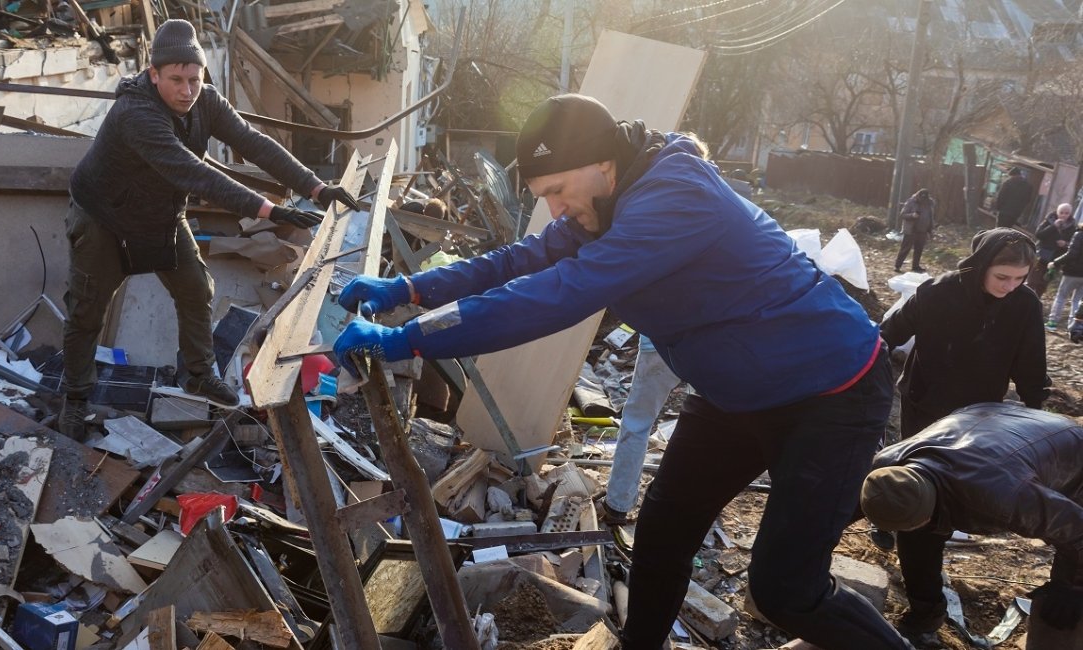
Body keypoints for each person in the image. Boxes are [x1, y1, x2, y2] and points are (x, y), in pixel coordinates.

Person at [333, 94, 906, 649]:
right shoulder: (603, 206)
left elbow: (557, 294)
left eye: (557, 190)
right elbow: (523, 259)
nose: (555, 208)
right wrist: (411, 287)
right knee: (662, 533)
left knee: (786, 590)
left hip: (830, 392)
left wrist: (407, 339)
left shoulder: (674, 197)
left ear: (603, 164)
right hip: (737, 392)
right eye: (542, 194)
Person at [60, 19, 357, 438]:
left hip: (160, 215)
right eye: (176, 80)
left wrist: (317, 187)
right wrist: (271, 211)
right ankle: (75, 399)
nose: (186, 91)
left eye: (194, 80)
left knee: (196, 288)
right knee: (87, 311)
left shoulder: (206, 102)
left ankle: (198, 373)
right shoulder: (135, 114)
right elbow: (196, 175)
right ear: (153, 75)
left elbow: (253, 142)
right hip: (104, 220)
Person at [860, 402, 1083, 641]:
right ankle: (925, 617)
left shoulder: (1004, 498)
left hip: (1070, 450)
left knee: (1065, 601)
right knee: (917, 540)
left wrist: (1072, 585)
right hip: (985, 419)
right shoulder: (885, 472)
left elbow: (1076, 528)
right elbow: (835, 511)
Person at [880, 228, 1049, 441]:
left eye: (1020, 278)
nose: (1010, 286)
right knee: (914, 468)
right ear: (981, 265)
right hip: (923, 402)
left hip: (978, 413)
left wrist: (1034, 408)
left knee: (960, 471)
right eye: (1002, 276)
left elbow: (1030, 363)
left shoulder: (1025, 304)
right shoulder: (937, 292)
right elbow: (888, 334)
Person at [601, 334, 679, 527]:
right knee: (706, 424)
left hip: (662, 342)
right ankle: (695, 511)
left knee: (637, 422)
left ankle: (618, 505)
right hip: (712, 341)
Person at [1028, 202, 1074, 295]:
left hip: (1056, 259)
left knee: (1043, 284)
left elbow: (1074, 243)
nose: (1064, 215)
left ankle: (1036, 301)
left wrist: (1065, 243)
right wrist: (1053, 226)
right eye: (1061, 212)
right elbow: (1039, 234)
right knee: (1032, 280)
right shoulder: (1049, 220)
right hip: (1042, 255)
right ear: (1057, 212)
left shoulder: (1072, 226)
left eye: (1067, 213)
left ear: (1070, 214)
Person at [894, 188, 935, 273]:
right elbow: (902, 214)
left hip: (923, 230)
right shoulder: (911, 202)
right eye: (922, 198)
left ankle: (915, 266)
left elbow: (931, 217)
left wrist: (930, 229)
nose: (923, 200)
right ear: (918, 195)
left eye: (925, 198)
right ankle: (898, 266)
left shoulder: (929, 203)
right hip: (911, 230)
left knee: (919, 249)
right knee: (905, 249)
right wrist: (912, 215)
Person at [1049, 228, 1083, 330]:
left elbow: (1072, 254)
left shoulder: (1079, 234)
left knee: (1061, 296)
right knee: (1077, 300)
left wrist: (1055, 262)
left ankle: (1052, 322)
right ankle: (1074, 327)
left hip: (1073, 272)